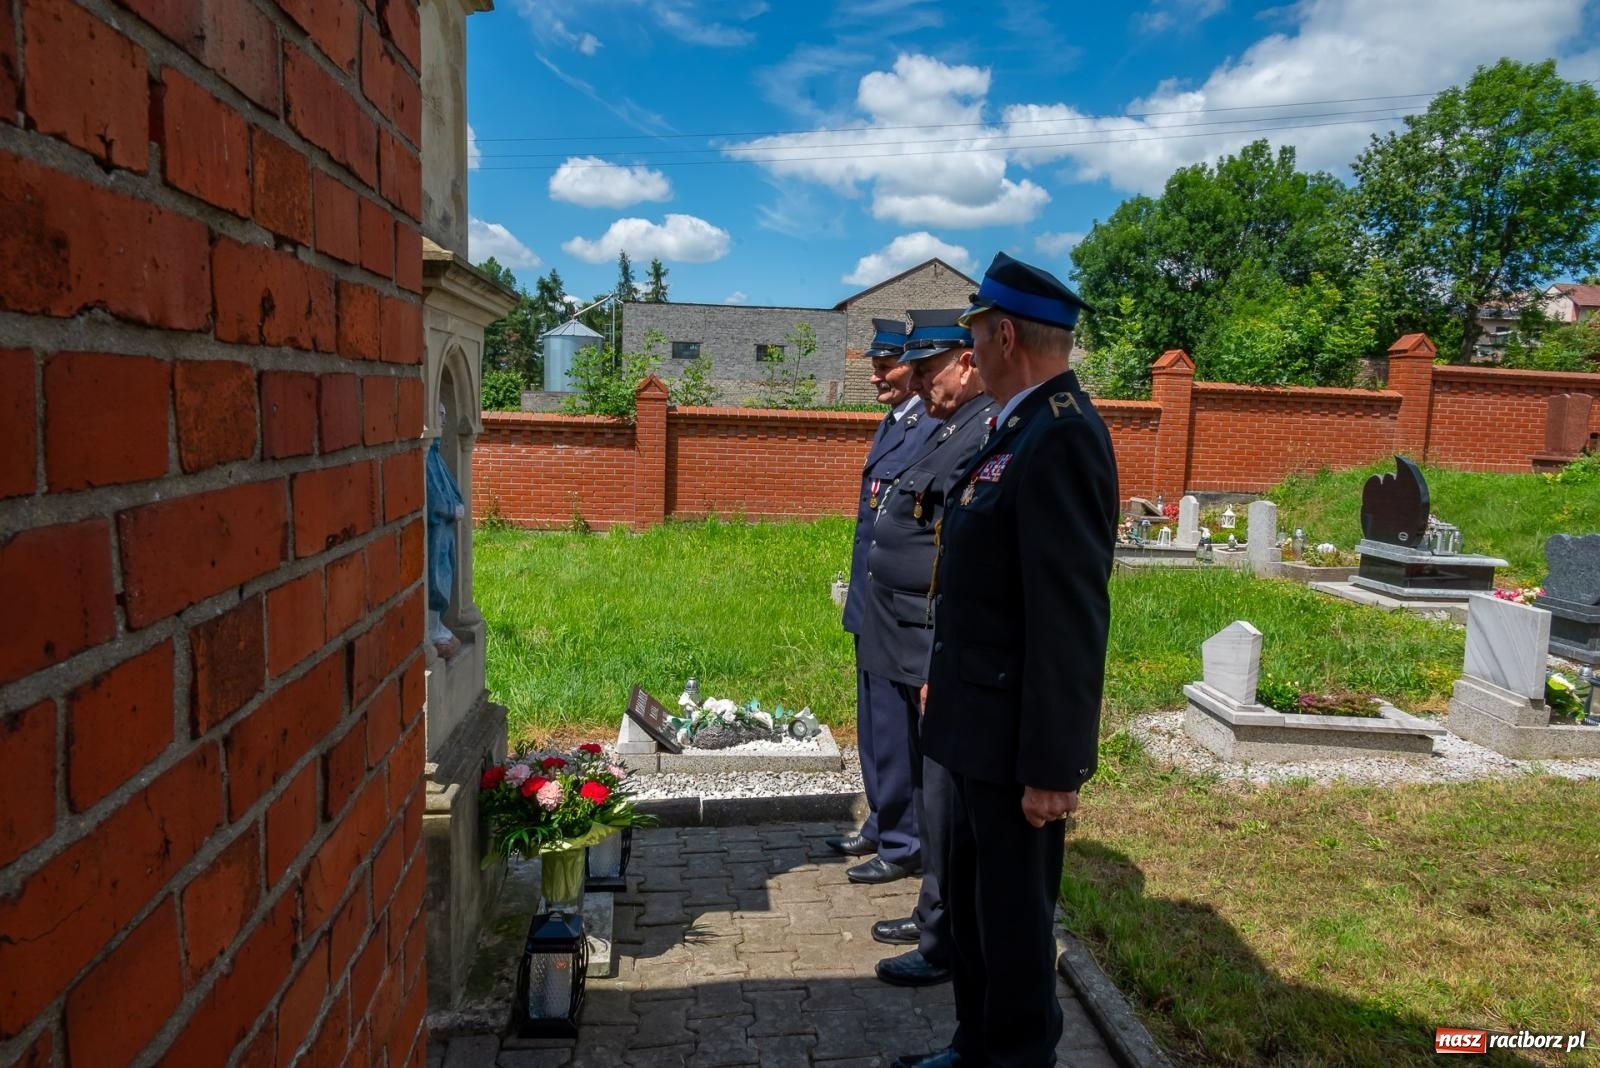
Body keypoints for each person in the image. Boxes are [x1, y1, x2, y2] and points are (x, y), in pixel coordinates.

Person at [891, 253, 1118, 1068]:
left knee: (1016, 920)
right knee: (978, 909)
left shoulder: (1060, 436)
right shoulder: (1014, 427)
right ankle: (975, 1042)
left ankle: (1018, 1055)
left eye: (976, 335)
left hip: (1019, 742)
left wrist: (1055, 766)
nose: (969, 351)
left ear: (1007, 334)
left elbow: (1069, 616)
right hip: (973, 724)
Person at [862, 310, 997, 987]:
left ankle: (941, 925)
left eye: (930, 368)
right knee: (930, 784)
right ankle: (934, 915)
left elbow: (960, 549)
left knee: (943, 796)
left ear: (967, 361)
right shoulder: (949, 424)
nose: (919, 381)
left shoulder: (986, 426)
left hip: (932, 634)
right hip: (908, 624)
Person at [828, 318, 940, 869]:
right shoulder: (894, 421)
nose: (877, 377)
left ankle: (905, 840)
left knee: (898, 731)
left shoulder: (929, 424)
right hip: (872, 598)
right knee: (874, 724)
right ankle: (882, 819)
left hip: (900, 606)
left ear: (914, 367)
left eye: (886, 366)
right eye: (872, 366)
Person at [426, 404, 466, 659]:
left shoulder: (436, 454)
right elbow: (431, 498)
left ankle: (437, 623)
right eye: (440, 414)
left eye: (444, 414)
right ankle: (431, 627)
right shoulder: (427, 456)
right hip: (436, 532)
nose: (444, 418)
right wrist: (452, 509)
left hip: (445, 533)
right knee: (436, 576)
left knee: (446, 571)